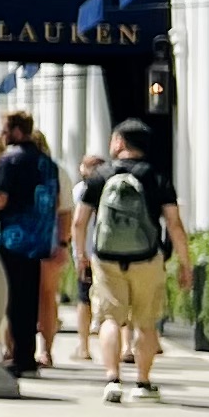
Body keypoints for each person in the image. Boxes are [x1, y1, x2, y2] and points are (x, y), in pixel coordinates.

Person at [82, 119, 192, 401]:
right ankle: (142, 384)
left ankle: (112, 379)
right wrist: (184, 262)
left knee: (109, 319)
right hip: (147, 259)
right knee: (145, 322)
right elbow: (174, 224)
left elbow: (79, 222)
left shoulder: (100, 175)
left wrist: (79, 255)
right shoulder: (156, 176)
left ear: (119, 142)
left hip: (107, 259)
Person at [0, 108, 58, 381]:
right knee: (31, 297)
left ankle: (19, 355)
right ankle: (28, 355)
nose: (2, 135)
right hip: (38, 238)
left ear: (15, 130)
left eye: (4, 130)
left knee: (13, 299)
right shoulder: (46, 163)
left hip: (13, 237)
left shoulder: (9, 160)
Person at [31, 116, 69, 367]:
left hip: (26, 242)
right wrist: (63, 244)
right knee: (47, 297)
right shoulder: (57, 172)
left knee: (23, 297)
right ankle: (46, 350)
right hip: (50, 241)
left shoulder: (14, 167)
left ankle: (20, 348)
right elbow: (66, 211)